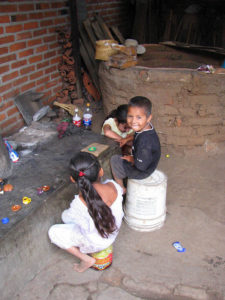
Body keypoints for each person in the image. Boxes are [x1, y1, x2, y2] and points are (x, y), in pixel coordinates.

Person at [48, 152, 124, 272]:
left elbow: (84, 227)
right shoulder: (113, 186)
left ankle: (86, 259)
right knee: (67, 216)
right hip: (112, 232)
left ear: (73, 179)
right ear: (101, 172)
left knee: (55, 230)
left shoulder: (78, 204)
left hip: (95, 243)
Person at [110, 96, 161, 194]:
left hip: (143, 171)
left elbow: (141, 166)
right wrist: (126, 139)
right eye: (130, 116)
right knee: (128, 150)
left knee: (115, 160)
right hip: (149, 161)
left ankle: (122, 189)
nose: (133, 121)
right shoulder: (145, 127)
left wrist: (131, 159)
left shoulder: (145, 143)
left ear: (149, 118)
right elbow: (137, 137)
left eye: (138, 117)